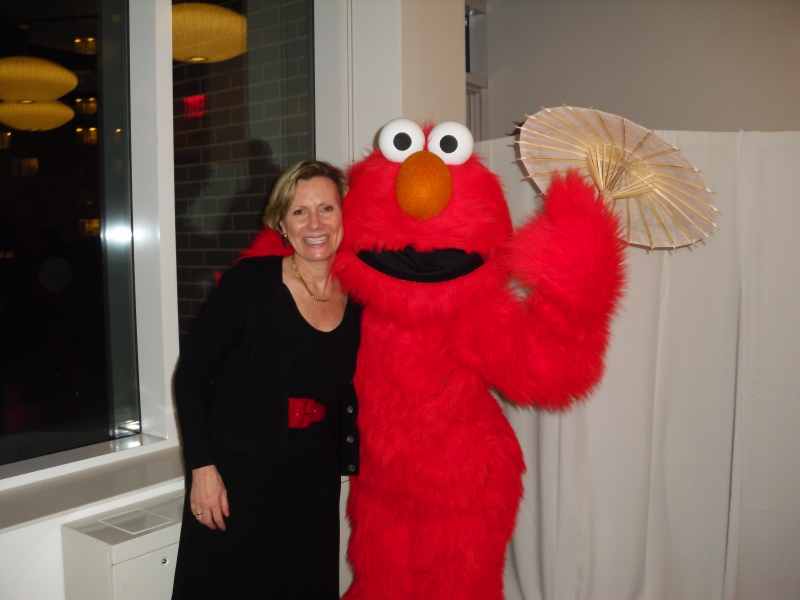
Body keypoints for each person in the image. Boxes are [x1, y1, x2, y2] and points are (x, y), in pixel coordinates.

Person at [171, 160, 360, 600]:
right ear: (281, 223)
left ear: (345, 216)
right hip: (239, 471)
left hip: (312, 472)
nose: (315, 224)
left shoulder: (358, 296)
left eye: (326, 208)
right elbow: (192, 374)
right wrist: (202, 469)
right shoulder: (250, 284)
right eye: (299, 212)